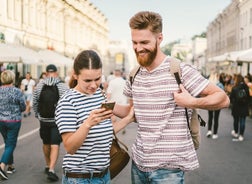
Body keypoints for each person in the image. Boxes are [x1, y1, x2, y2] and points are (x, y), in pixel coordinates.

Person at [123, 11, 229, 184]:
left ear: (159, 38)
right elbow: (132, 112)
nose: (138, 48)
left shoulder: (180, 70)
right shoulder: (134, 74)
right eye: (134, 42)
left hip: (169, 170)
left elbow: (223, 99)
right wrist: (104, 107)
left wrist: (192, 102)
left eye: (144, 42)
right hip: (139, 163)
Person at [55, 50, 134, 184]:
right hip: (80, 178)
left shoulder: (99, 94)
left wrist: (128, 119)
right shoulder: (68, 102)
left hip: (104, 175)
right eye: (87, 80)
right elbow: (70, 147)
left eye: (97, 79)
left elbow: (106, 132)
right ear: (75, 75)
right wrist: (87, 124)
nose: (93, 85)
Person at [32, 64, 69, 182]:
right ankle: (52, 169)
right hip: (56, 120)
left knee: (46, 143)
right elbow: (66, 103)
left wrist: (38, 115)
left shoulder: (39, 86)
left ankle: (48, 165)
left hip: (43, 120)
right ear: (56, 73)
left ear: (46, 73)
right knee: (55, 144)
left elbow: (35, 102)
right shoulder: (63, 86)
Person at [0, 70, 26, 180]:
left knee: (7, 143)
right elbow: (23, 107)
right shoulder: (17, 91)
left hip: (1, 120)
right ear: (12, 78)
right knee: (11, 144)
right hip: (14, 121)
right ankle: (2, 166)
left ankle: (10, 166)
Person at [230, 74, 250, 142]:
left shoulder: (234, 88)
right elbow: (249, 97)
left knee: (236, 120)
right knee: (242, 121)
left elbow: (231, 98)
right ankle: (241, 135)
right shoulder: (246, 87)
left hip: (236, 106)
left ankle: (236, 132)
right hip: (244, 107)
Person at [206, 72, 225, 139]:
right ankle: (215, 133)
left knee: (210, 117)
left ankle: (209, 131)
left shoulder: (208, 84)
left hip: (210, 102)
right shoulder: (220, 84)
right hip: (217, 103)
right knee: (216, 118)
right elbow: (223, 94)